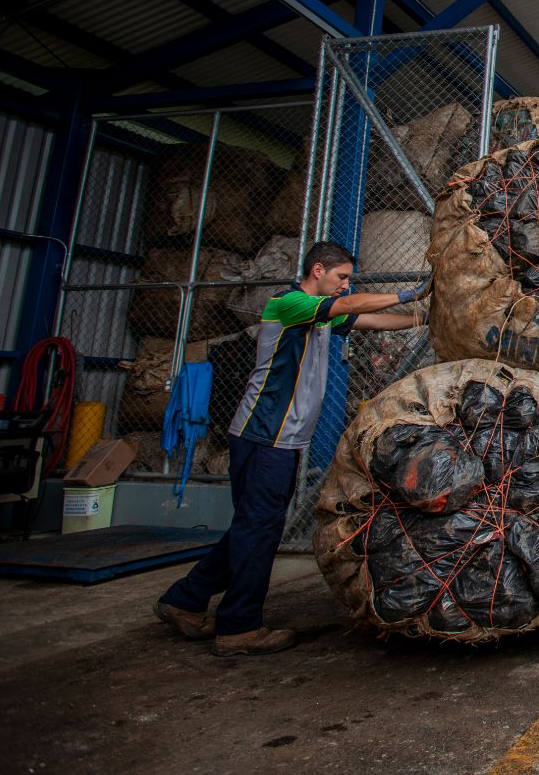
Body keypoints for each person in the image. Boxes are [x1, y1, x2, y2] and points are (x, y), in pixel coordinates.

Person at [152, 241, 430, 656]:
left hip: (277, 441)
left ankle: (184, 600)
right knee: (259, 531)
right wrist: (412, 292)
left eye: (347, 279)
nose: (344, 285)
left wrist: (416, 320)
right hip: (265, 438)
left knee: (253, 526)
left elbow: (366, 320)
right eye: (340, 277)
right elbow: (349, 305)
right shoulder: (289, 303)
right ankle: (238, 627)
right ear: (317, 270)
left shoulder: (316, 317)